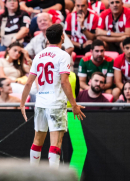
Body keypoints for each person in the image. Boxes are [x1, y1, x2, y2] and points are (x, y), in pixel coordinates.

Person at [20, 23, 85, 168]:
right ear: (62, 37)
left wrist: (22, 103)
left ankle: (33, 176)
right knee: (56, 142)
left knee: (37, 141)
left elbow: (29, 82)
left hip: (41, 102)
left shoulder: (38, 56)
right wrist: (74, 104)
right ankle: (52, 179)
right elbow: (64, 82)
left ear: (48, 38)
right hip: (55, 103)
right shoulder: (63, 55)